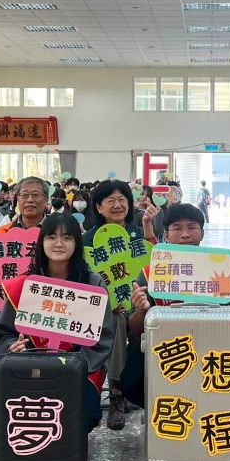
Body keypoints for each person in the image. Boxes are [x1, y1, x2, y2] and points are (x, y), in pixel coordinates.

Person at [0, 213, 114, 433]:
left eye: (67, 237)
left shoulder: (92, 283)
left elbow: (102, 338)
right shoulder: (26, 285)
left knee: (84, 413)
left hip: (80, 368)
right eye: (51, 237)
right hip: (29, 366)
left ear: (77, 243)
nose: (58, 243)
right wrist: (13, 347)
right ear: (41, 242)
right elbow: (3, 334)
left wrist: (72, 366)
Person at [120, 203, 230, 410]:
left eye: (192, 227)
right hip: (165, 355)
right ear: (166, 235)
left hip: (210, 353)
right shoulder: (151, 273)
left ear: (202, 233)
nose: (185, 235)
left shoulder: (221, 271)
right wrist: (141, 309)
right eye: (177, 228)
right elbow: (134, 330)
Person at [84, 179, 155, 430]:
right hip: (104, 309)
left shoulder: (139, 234)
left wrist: (148, 227)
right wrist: (105, 303)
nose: (117, 205)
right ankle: (116, 393)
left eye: (122, 199)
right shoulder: (87, 240)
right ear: (98, 207)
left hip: (141, 304)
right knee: (113, 321)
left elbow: (157, 264)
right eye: (110, 200)